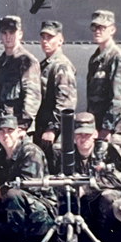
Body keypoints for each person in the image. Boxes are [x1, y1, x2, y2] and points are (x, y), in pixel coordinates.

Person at [0, 109, 56, 242]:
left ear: (19, 132)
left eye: (10, 130)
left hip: (42, 210)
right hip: (19, 209)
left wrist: (3, 189)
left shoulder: (30, 151)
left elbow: (30, 185)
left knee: (13, 194)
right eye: (1, 131)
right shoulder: (0, 156)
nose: (5, 135)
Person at [72, 112, 121, 242]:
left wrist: (87, 187)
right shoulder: (66, 156)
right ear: (73, 137)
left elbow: (120, 180)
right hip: (84, 204)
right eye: (79, 135)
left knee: (108, 195)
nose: (84, 139)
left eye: (87, 135)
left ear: (95, 134)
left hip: (106, 201)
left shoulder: (108, 150)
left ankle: (108, 240)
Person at [87, 10, 121, 157]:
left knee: (114, 176)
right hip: (99, 130)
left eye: (102, 28)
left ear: (112, 30)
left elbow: (119, 100)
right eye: (94, 27)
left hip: (114, 131)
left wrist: (106, 129)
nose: (97, 31)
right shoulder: (95, 59)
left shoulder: (118, 58)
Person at [35, 21, 77, 173]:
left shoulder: (61, 65)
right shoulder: (45, 65)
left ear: (60, 40)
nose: (45, 41)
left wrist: (52, 128)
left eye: (50, 37)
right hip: (45, 133)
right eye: (43, 37)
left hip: (55, 135)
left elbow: (66, 103)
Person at [0, 16, 41, 135]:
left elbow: (32, 95)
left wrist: (23, 126)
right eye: (4, 33)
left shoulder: (26, 61)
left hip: (18, 127)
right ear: (0, 35)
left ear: (20, 34)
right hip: (1, 125)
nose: (8, 37)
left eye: (12, 32)